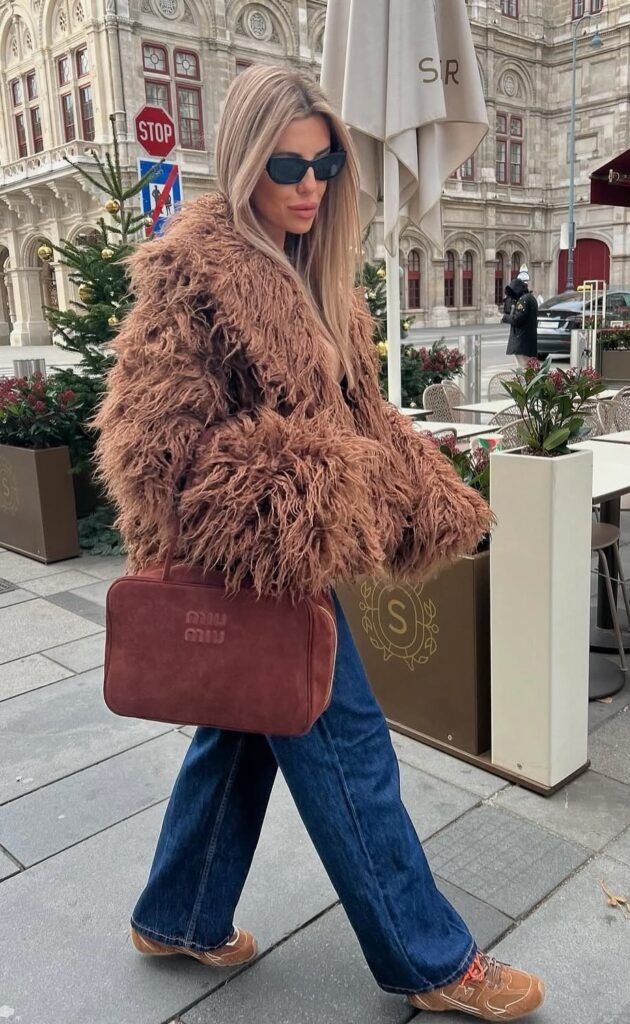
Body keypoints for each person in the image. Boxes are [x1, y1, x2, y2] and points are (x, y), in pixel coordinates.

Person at [95, 64, 545, 1021]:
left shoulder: (321, 279)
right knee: (347, 746)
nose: (309, 183)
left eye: (327, 161)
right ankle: (429, 958)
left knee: (246, 726)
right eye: (287, 164)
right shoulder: (193, 271)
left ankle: (178, 912)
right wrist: (304, 481)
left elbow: (360, 414)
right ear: (246, 162)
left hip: (290, 547)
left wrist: (426, 488)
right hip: (249, 557)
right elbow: (149, 449)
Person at [503, 276, 539, 369]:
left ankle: (525, 384)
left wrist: (505, 317)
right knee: (529, 367)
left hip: (522, 342)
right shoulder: (530, 298)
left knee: (523, 368)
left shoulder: (524, 300)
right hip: (527, 341)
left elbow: (517, 319)